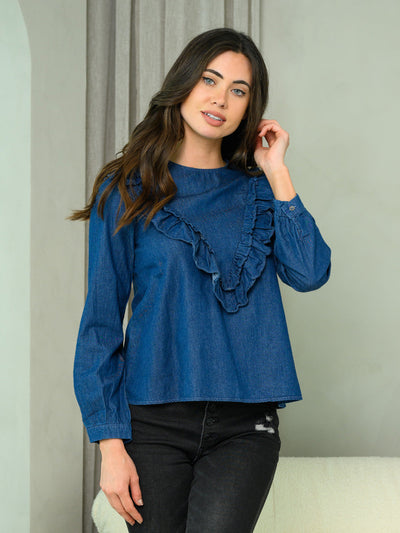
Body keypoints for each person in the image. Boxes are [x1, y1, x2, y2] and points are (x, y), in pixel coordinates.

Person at [69, 27, 331, 533]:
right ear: (184, 83)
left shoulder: (260, 192)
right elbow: (100, 324)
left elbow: (310, 272)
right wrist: (110, 444)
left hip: (244, 427)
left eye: (238, 90)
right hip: (152, 423)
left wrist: (277, 172)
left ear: (250, 108)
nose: (220, 99)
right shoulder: (125, 191)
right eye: (210, 80)